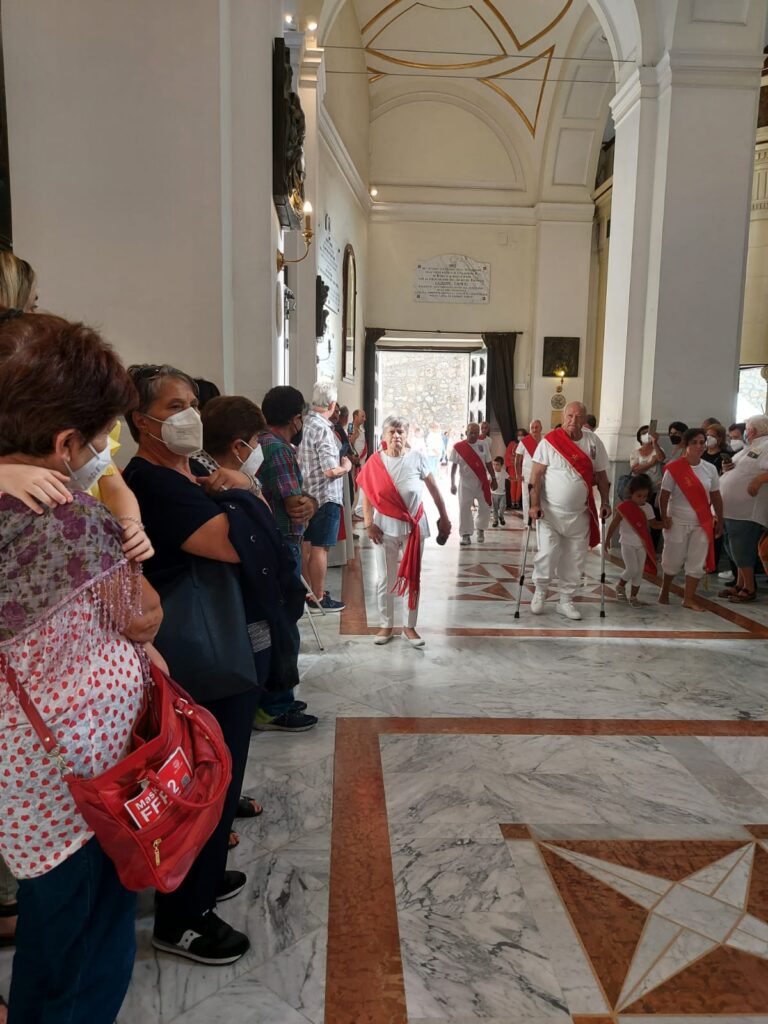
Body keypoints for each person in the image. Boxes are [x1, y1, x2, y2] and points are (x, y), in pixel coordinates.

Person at [0, 313, 163, 1023]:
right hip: (80, 779)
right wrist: (126, 523)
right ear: (66, 444)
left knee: (51, 932)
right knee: (88, 951)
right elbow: (142, 616)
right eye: (97, 439)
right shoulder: (68, 520)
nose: (103, 451)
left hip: (24, 784)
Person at [124, 364, 259, 966]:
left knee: (219, 775)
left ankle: (200, 880)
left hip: (220, 644)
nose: (189, 416)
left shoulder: (191, 471)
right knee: (201, 778)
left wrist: (238, 498)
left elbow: (260, 530)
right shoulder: (151, 482)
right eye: (174, 405)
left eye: (191, 404)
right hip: (194, 655)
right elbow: (239, 541)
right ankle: (181, 919)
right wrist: (242, 495)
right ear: (139, 421)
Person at [202, 394, 317, 731]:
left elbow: (298, 502)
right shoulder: (275, 450)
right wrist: (301, 503)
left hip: (264, 555)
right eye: (253, 442)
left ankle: (273, 698)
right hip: (273, 551)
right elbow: (293, 504)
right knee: (278, 629)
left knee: (273, 631)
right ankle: (275, 703)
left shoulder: (229, 468)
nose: (258, 446)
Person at [358, 416, 451, 647]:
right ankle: (386, 624)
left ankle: (409, 627)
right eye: (392, 431)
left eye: (400, 431)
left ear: (406, 435)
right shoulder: (374, 462)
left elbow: (434, 489)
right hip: (384, 527)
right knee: (384, 578)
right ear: (384, 435)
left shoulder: (417, 458)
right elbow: (367, 495)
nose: (396, 436)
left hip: (414, 527)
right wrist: (369, 523)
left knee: (412, 577)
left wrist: (444, 517)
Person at [528, 402, 611, 620]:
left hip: (580, 513)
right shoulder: (549, 442)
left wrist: (605, 502)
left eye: (579, 416)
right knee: (547, 553)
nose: (574, 420)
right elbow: (535, 476)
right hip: (549, 513)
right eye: (570, 415)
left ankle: (565, 600)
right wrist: (534, 505)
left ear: (585, 419)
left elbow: (602, 475)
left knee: (575, 558)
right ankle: (540, 591)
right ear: (564, 416)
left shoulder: (593, 442)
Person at [298, 380, 351, 611]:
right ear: (331, 404)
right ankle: (319, 596)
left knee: (306, 544)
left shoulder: (305, 423)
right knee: (321, 547)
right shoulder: (323, 428)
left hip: (305, 493)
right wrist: (347, 467)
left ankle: (308, 592)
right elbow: (331, 470)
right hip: (325, 495)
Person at [658, 427, 723, 611]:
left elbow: (716, 496)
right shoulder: (674, 469)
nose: (699, 446)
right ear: (686, 445)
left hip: (702, 522)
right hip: (677, 520)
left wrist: (720, 519)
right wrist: (664, 517)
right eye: (694, 442)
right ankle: (664, 590)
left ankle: (688, 598)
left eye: (702, 442)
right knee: (672, 559)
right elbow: (663, 496)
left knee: (696, 561)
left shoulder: (710, 469)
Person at [719, 414, 768, 603]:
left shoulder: (766, 445)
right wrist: (728, 468)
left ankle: (749, 587)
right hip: (733, 509)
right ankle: (739, 584)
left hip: (748, 510)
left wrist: (758, 480)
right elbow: (741, 469)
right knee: (734, 547)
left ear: (753, 430)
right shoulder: (751, 447)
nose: (746, 432)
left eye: (747, 428)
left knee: (742, 547)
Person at [605, 474, 661, 606]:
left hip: (642, 545)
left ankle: (634, 597)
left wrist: (666, 524)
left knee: (639, 572)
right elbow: (614, 523)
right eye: (639, 495)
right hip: (627, 543)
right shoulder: (625, 507)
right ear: (631, 493)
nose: (642, 499)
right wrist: (607, 539)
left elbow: (653, 524)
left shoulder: (648, 508)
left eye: (645, 496)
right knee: (632, 569)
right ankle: (620, 585)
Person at [450, 421, 496, 546]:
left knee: (485, 506)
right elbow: (454, 467)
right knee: (464, 508)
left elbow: (488, 463)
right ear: (466, 433)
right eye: (471, 433)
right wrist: (452, 483)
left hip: (482, 482)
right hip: (465, 483)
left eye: (476, 433)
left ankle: (480, 529)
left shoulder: (484, 445)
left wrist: (494, 478)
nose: (474, 435)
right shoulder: (458, 447)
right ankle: (465, 534)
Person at [515, 419, 543, 528]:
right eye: (532, 428)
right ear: (530, 429)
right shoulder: (524, 442)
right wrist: (518, 474)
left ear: (541, 428)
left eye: (537, 427)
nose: (535, 430)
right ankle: (528, 522)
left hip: (542, 475)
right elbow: (517, 459)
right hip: (527, 475)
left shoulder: (545, 441)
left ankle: (539, 520)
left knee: (541, 497)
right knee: (526, 498)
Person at [491, 456, 507, 527]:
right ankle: (495, 520)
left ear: (501, 465)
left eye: (497, 464)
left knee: (502, 507)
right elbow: (488, 480)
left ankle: (501, 516)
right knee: (495, 508)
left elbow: (509, 477)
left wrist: (517, 478)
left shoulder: (503, 472)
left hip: (502, 494)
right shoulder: (492, 473)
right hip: (494, 494)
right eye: (494, 464)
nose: (495, 466)